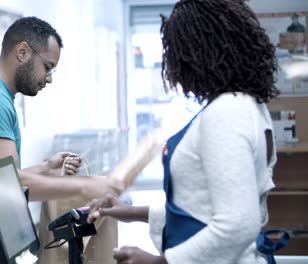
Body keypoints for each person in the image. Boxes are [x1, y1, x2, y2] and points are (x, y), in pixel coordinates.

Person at [88, 0, 288, 263]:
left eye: (173, 51)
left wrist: (160, 262)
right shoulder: (247, 104)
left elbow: (238, 224)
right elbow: (201, 209)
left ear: (198, 52)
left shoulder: (226, 112)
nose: (171, 65)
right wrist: (130, 211)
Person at [0, 16, 123, 263]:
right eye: (48, 67)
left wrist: (46, 167)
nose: (49, 78)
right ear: (23, 52)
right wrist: (87, 187)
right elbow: (6, 181)